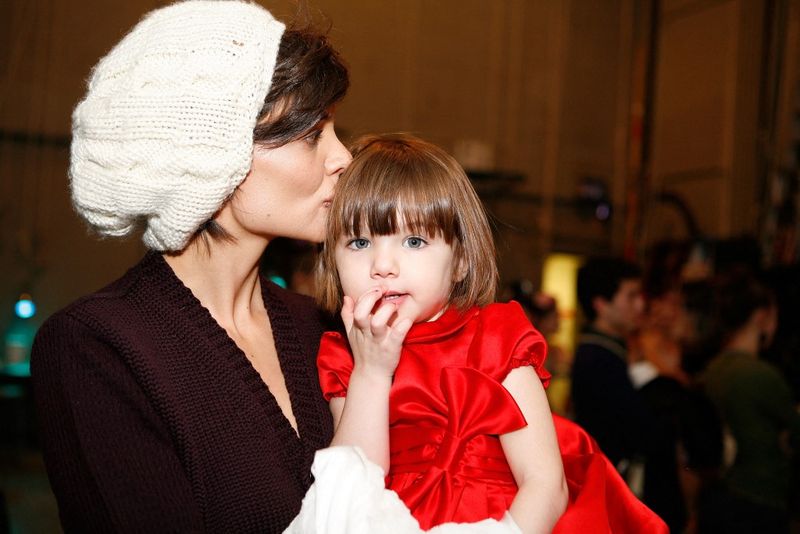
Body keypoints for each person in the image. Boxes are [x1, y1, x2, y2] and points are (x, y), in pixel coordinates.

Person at [29, 2, 351, 532]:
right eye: (313, 134)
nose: (343, 158)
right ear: (212, 154)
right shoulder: (98, 348)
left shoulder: (322, 325)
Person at [313, 134, 667, 533]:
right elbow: (350, 495)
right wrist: (372, 372)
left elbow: (545, 485)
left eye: (413, 241)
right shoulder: (344, 354)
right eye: (359, 242)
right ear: (331, 260)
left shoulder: (495, 337)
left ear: (461, 260)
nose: (383, 264)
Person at [701, 269, 800, 533]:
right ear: (761, 317)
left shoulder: (714, 368)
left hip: (723, 493)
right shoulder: (760, 375)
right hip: (761, 497)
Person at [570, 257, 653, 480]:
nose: (640, 305)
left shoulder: (611, 348)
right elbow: (637, 427)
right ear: (601, 304)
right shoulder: (598, 357)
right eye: (631, 296)